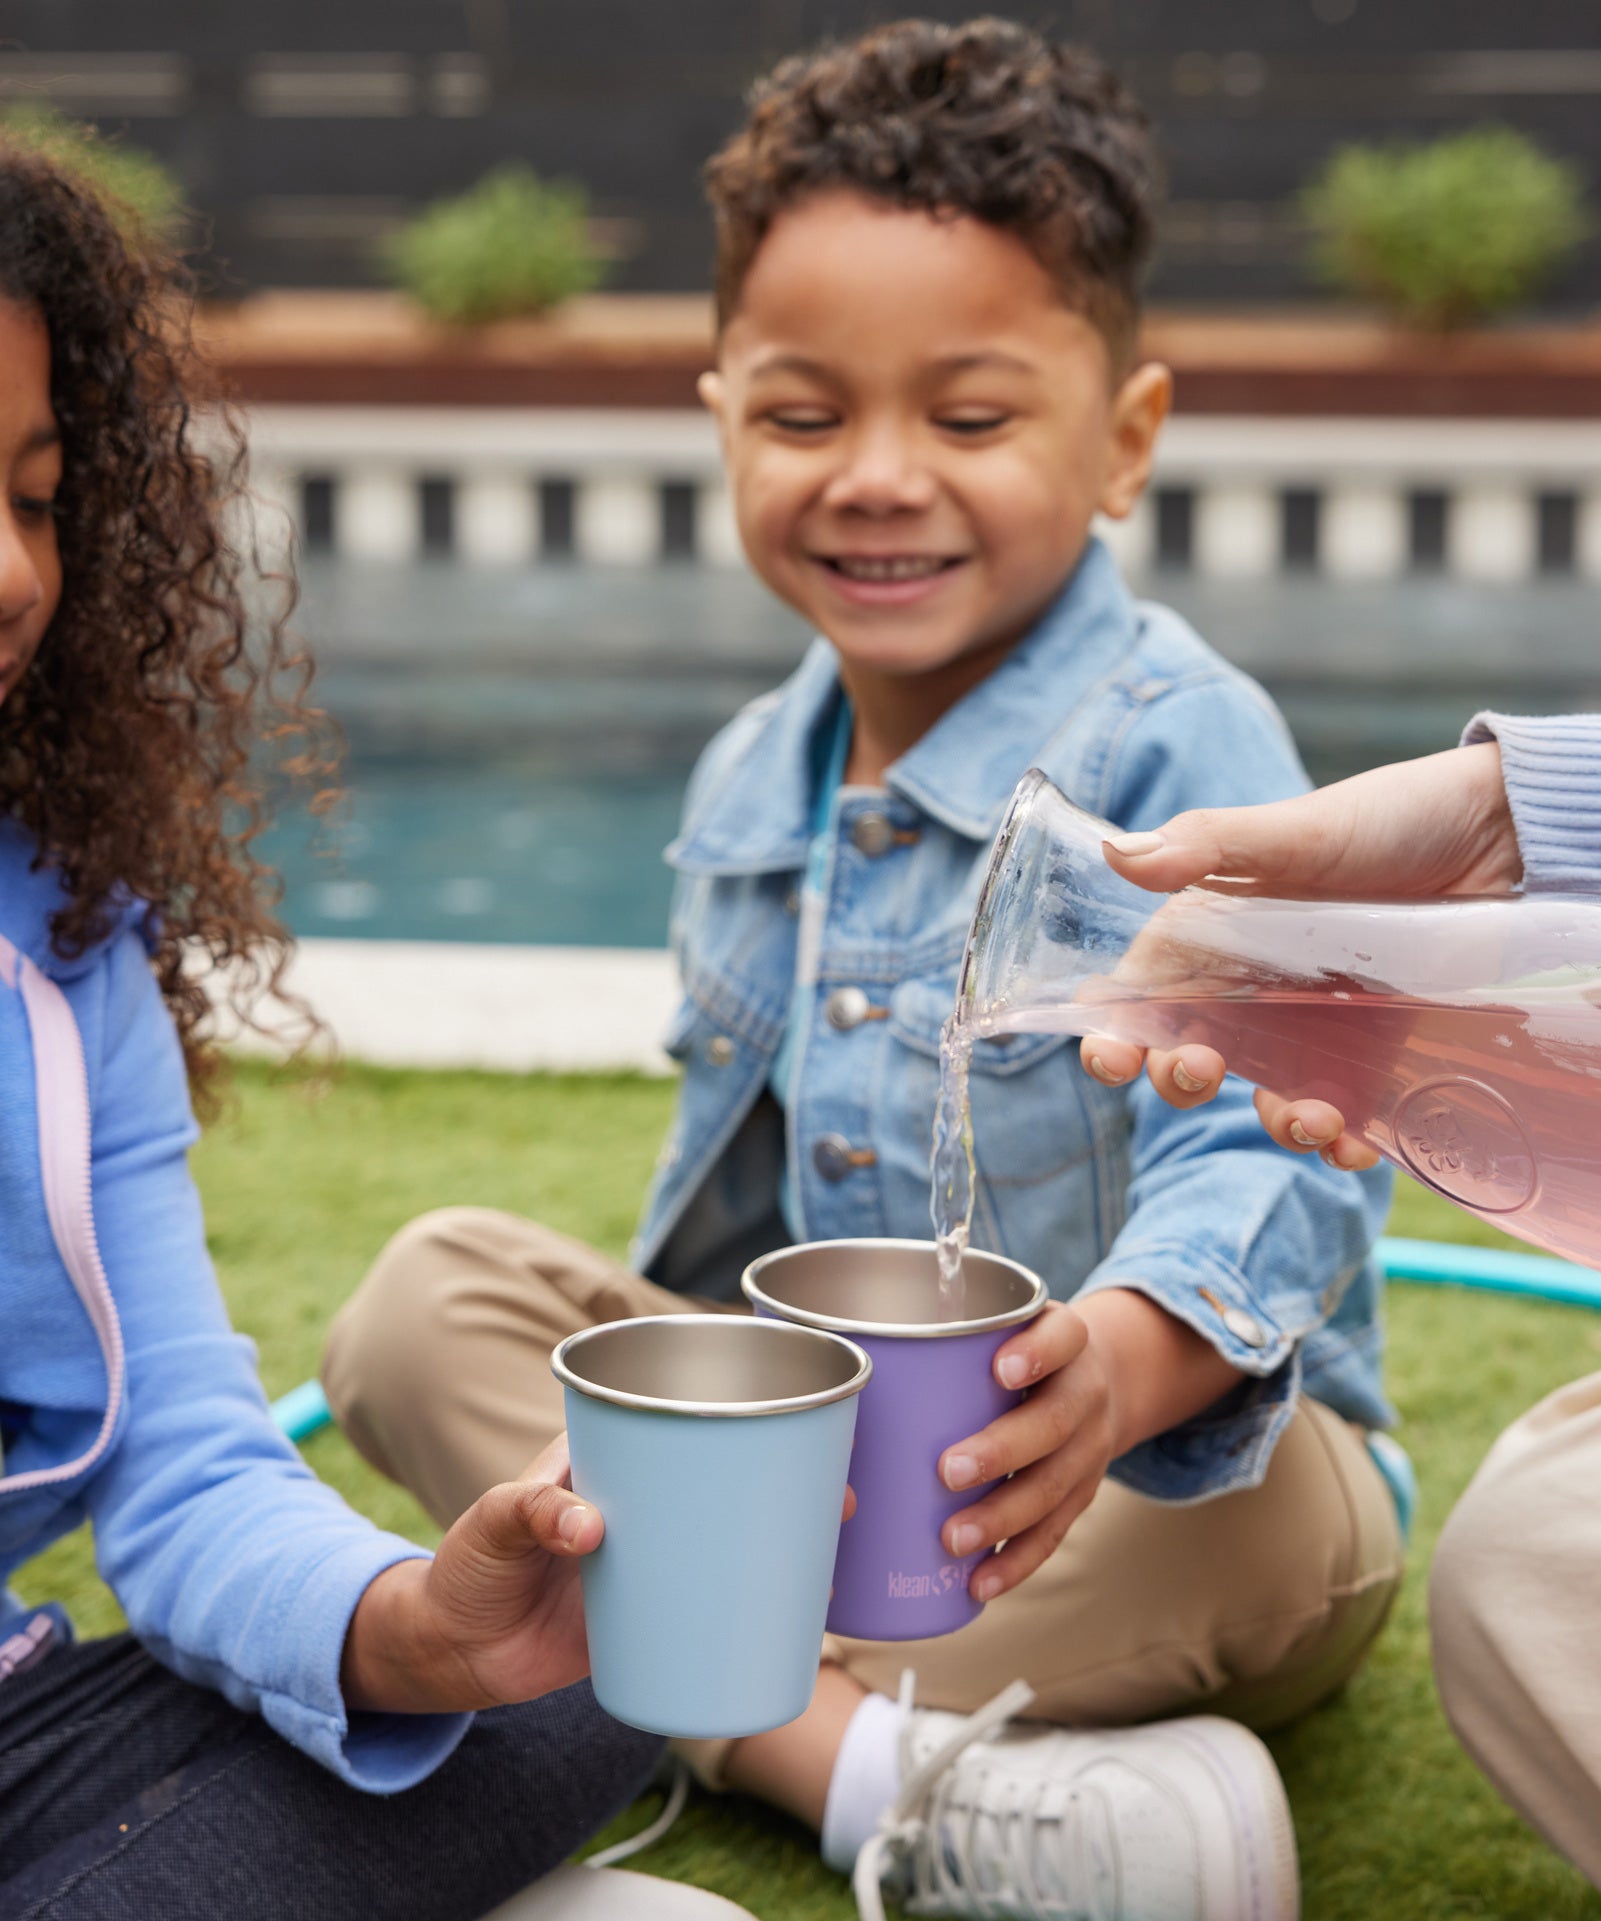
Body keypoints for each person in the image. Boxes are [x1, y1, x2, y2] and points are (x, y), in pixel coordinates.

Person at [325, 21, 1403, 1919]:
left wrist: (1128, 1369)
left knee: (1279, 1533)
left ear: (1124, 438)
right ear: (722, 410)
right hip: (822, 1507)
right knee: (421, 1306)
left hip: (1139, 1491)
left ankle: (691, 1693)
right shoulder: (756, 770)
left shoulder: (1179, 751)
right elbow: (710, 1236)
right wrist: (683, 1444)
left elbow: (1291, 1144)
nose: (879, 479)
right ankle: (869, 1771)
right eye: (806, 416)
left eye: (970, 421)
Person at [0, 140, 674, 1921]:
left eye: (36, 496)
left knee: (618, 1641)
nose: (11, 574)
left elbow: (179, 1462)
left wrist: (415, 1631)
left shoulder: (62, 930)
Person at [1082, 709, 1601, 1890]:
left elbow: (1253, 1171)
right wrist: (1505, 812)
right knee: (1526, 1566)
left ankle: (817, 1730)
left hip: (1210, 1493)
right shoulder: (766, 759)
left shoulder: (1165, 725)